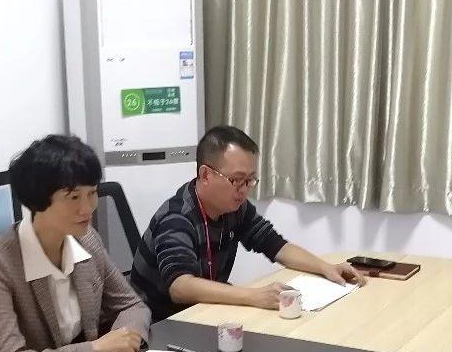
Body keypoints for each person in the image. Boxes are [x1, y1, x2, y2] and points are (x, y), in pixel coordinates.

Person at [0, 135, 151, 352]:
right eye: (73, 197)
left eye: (92, 193)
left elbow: (132, 305)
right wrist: (95, 350)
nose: (87, 208)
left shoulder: (87, 241)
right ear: (38, 200)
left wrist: (125, 338)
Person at [129, 125, 365, 321]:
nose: (244, 190)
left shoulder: (235, 208)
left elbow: (277, 246)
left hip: (206, 314)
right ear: (205, 175)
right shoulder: (176, 217)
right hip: (161, 325)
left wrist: (326, 267)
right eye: (236, 180)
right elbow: (180, 287)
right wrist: (254, 296)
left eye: (250, 180)